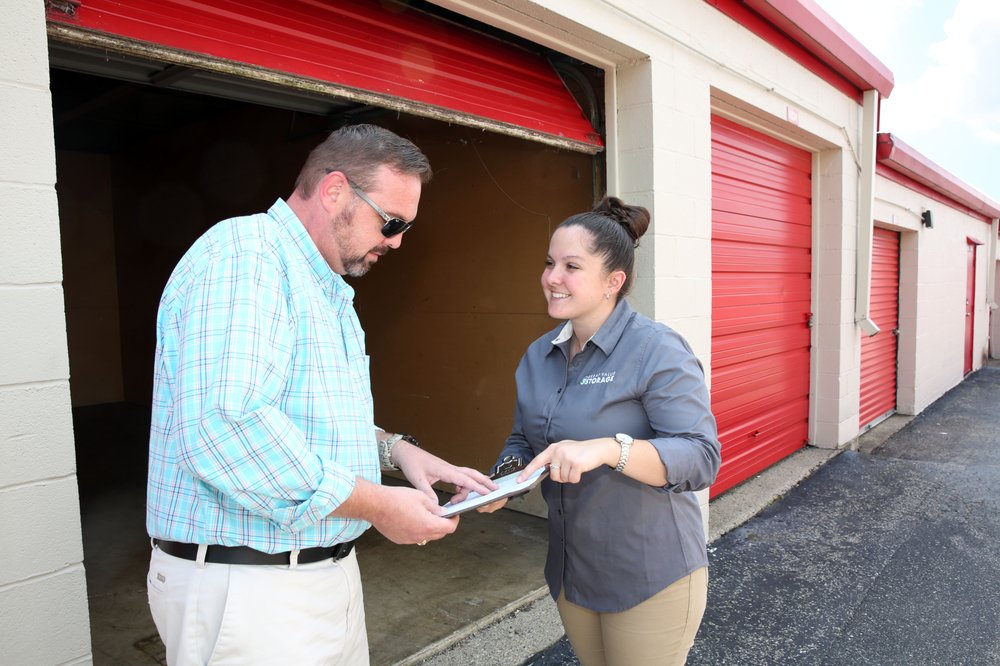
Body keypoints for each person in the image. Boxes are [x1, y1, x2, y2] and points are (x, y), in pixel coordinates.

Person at [145, 124, 496, 666]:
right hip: (250, 591)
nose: (397, 241)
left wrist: (400, 452)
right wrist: (378, 504)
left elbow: (308, 417)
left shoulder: (324, 286)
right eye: (392, 222)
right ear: (334, 190)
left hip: (315, 577)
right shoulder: (246, 255)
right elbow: (228, 425)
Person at [475, 197, 722, 665]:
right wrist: (500, 481)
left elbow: (700, 457)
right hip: (573, 572)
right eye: (549, 263)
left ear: (614, 281)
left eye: (571, 266)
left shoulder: (657, 349)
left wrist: (610, 449)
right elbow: (524, 440)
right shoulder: (539, 355)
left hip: (649, 574)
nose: (552, 277)